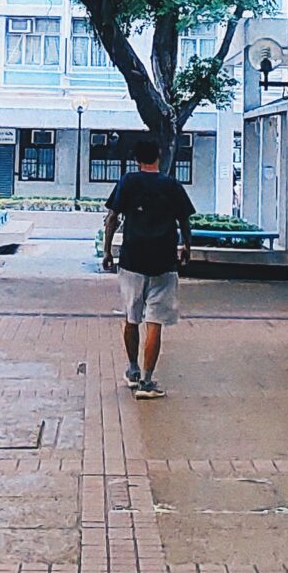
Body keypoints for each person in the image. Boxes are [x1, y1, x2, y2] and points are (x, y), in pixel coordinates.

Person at [102, 140, 194, 397]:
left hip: (132, 260)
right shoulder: (172, 185)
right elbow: (184, 220)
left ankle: (132, 370)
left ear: (136, 159)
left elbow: (112, 218)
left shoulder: (128, 182)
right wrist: (186, 246)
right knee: (154, 322)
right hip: (164, 262)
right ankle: (147, 382)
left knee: (131, 318)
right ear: (159, 157)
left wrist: (108, 250)